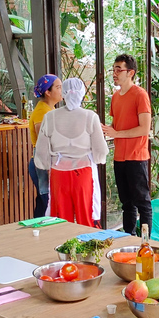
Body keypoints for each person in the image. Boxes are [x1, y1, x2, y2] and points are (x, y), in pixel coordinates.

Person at [34, 78, 109, 227]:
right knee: (86, 218)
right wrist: (97, 158)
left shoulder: (50, 117)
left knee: (61, 221)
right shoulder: (90, 116)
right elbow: (101, 151)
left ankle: (61, 248)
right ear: (82, 93)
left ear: (64, 93)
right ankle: (87, 248)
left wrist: (47, 164)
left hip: (58, 174)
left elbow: (41, 152)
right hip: (83, 174)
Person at [102, 54, 152, 235]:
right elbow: (117, 126)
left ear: (130, 72)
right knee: (126, 204)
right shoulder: (115, 97)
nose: (114, 73)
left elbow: (144, 129)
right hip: (119, 157)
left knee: (142, 202)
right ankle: (128, 241)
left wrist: (117, 133)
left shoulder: (140, 95)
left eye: (118, 69)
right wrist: (105, 130)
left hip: (136, 156)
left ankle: (146, 244)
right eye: (113, 69)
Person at [28, 75, 62, 218]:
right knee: (47, 201)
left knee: (44, 203)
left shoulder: (49, 109)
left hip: (46, 161)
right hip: (43, 162)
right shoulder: (43, 111)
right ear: (47, 92)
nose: (62, 91)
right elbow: (44, 141)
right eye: (58, 87)